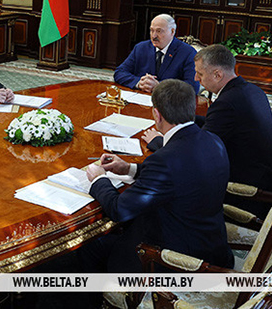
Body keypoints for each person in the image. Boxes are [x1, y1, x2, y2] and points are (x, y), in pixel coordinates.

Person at [84, 79, 233, 273]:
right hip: (213, 246)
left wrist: (98, 179)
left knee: (90, 247)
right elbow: (180, 176)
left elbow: (119, 209)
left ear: (157, 114)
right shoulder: (213, 140)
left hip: (174, 260)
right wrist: (128, 168)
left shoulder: (164, 159)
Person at [144, 44, 272, 219]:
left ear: (217, 75)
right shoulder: (251, 90)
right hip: (264, 177)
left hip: (243, 192)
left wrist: (159, 142)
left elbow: (196, 155)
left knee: (164, 193)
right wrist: (177, 118)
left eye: (200, 74)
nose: (196, 78)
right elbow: (215, 122)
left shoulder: (227, 103)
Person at [114, 13, 200, 94]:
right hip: (141, 98)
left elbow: (192, 87)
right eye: (152, 30)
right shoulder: (141, 48)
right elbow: (119, 72)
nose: (154, 36)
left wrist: (160, 86)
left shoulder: (188, 52)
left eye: (159, 31)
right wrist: (139, 82)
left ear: (172, 32)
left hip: (171, 102)